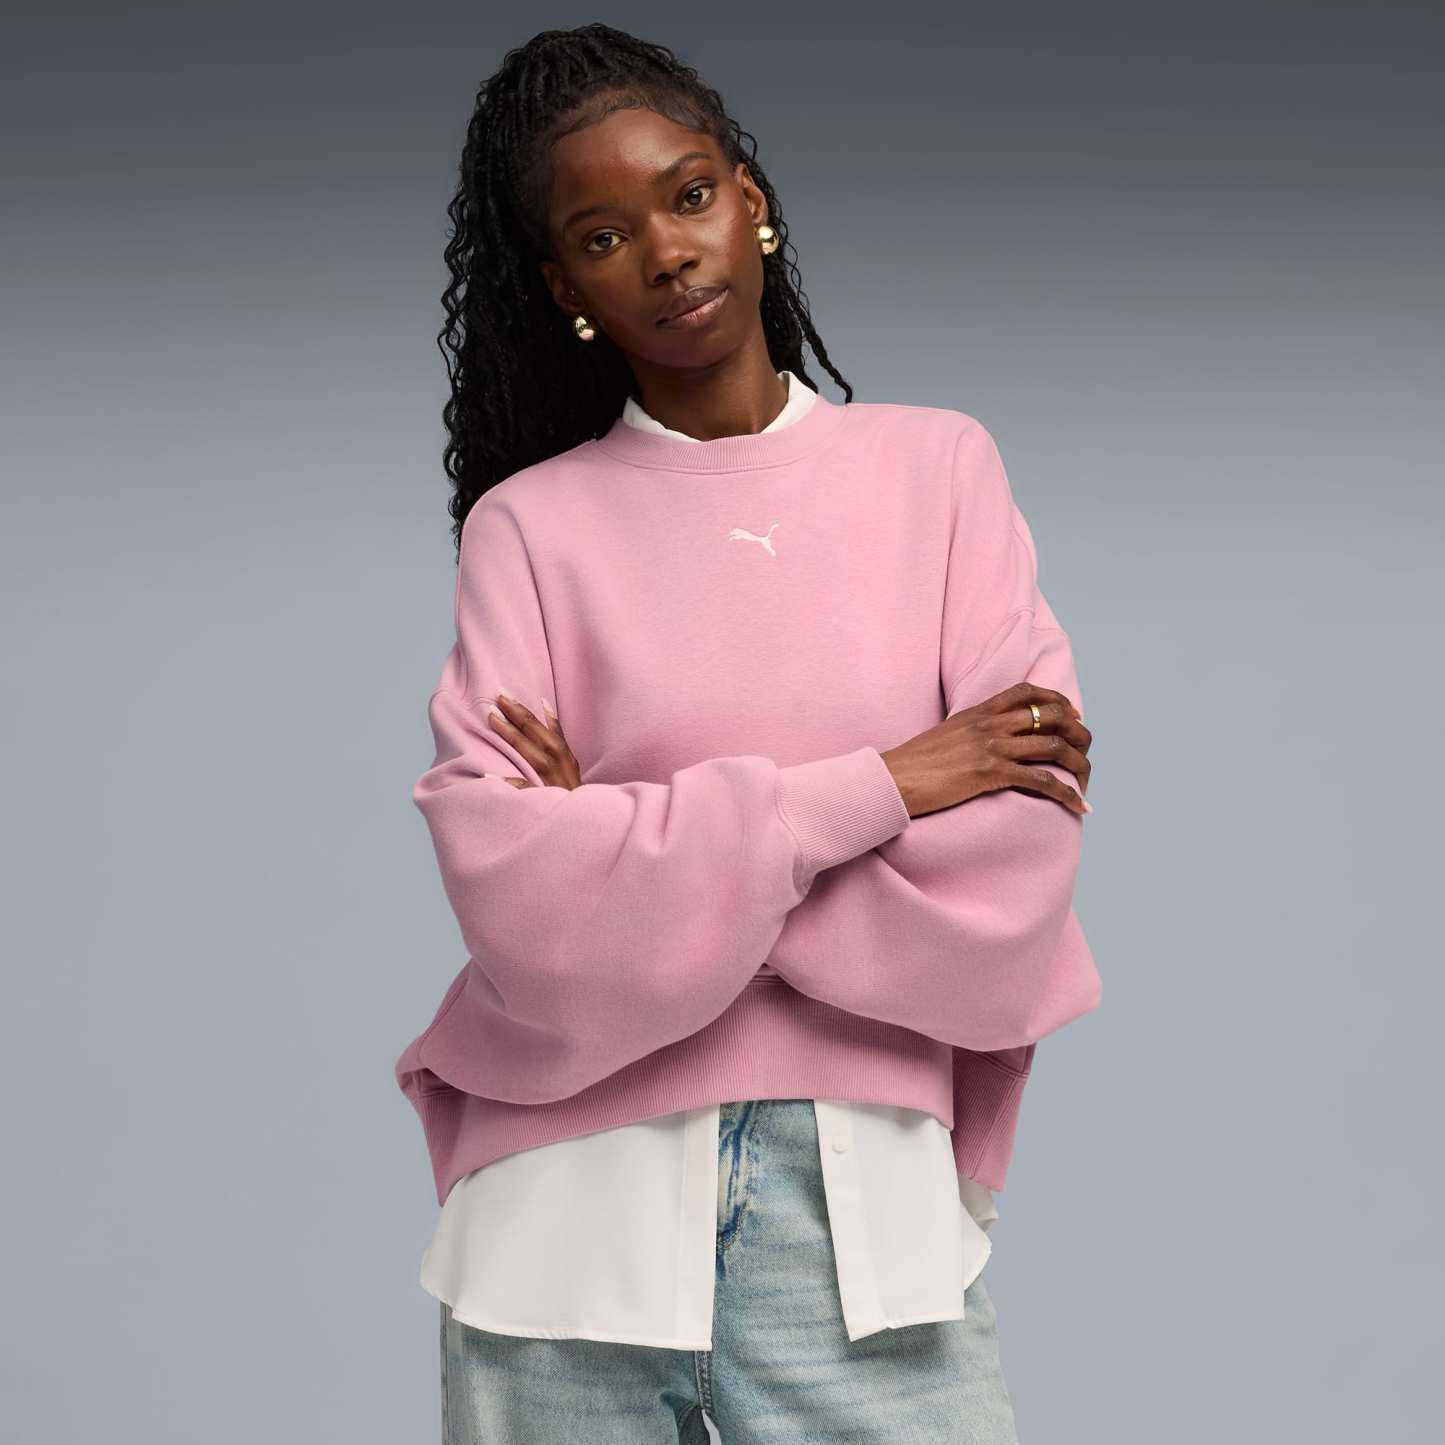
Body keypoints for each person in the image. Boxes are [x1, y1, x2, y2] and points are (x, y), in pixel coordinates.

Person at [394, 22, 1101, 1444]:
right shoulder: (529, 529)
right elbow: (519, 900)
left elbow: (1015, 861)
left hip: (860, 1219)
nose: (666, 252)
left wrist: (647, 870)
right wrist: (890, 785)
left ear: (751, 200)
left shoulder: (938, 473)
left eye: (691, 195)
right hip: (563, 1219)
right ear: (566, 286)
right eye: (604, 235)